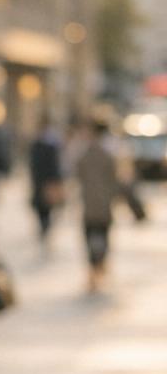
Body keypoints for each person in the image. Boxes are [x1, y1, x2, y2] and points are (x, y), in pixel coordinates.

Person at [73, 117, 121, 292]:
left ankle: (94, 270)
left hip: (90, 205)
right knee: (103, 237)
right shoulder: (109, 154)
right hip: (104, 205)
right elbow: (116, 179)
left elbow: (76, 171)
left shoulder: (85, 153)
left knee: (90, 237)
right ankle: (100, 267)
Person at [28, 115, 66, 249]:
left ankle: (45, 227)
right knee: (43, 208)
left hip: (44, 182)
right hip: (42, 182)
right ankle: (44, 227)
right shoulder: (40, 145)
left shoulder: (47, 145)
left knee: (45, 207)